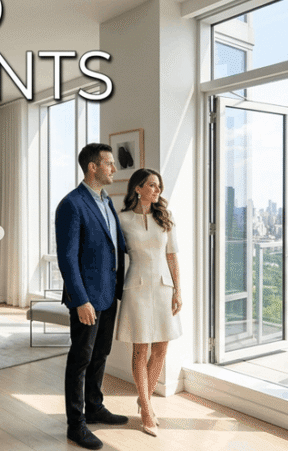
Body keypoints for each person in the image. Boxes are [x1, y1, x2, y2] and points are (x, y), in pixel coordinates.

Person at [55, 143, 129, 450]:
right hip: (87, 298)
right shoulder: (71, 204)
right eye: (109, 164)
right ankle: (76, 424)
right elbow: (67, 258)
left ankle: (95, 407)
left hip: (109, 293)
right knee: (81, 358)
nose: (113, 169)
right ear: (92, 168)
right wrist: (80, 300)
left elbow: (115, 245)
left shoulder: (107, 201)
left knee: (100, 355)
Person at [114, 168, 183, 437]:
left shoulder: (165, 217)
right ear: (138, 188)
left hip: (164, 288)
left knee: (161, 349)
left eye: (159, 186)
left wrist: (178, 291)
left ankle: (145, 398)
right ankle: (146, 409)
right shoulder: (122, 220)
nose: (157, 191)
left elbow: (172, 256)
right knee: (140, 351)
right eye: (152, 186)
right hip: (137, 289)